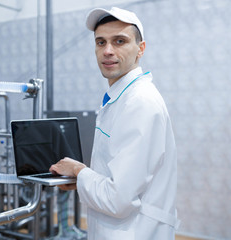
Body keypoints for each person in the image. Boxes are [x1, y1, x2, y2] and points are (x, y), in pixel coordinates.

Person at [49, 7, 179, 240]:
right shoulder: (121, 98)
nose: (107, 51)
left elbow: (118, 199)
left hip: (135, 231)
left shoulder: (139, 103)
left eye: (119, 41)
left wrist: (79, 171)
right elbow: (117, 179)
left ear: (141, 49)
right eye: (101, 42)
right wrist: (81, 181)